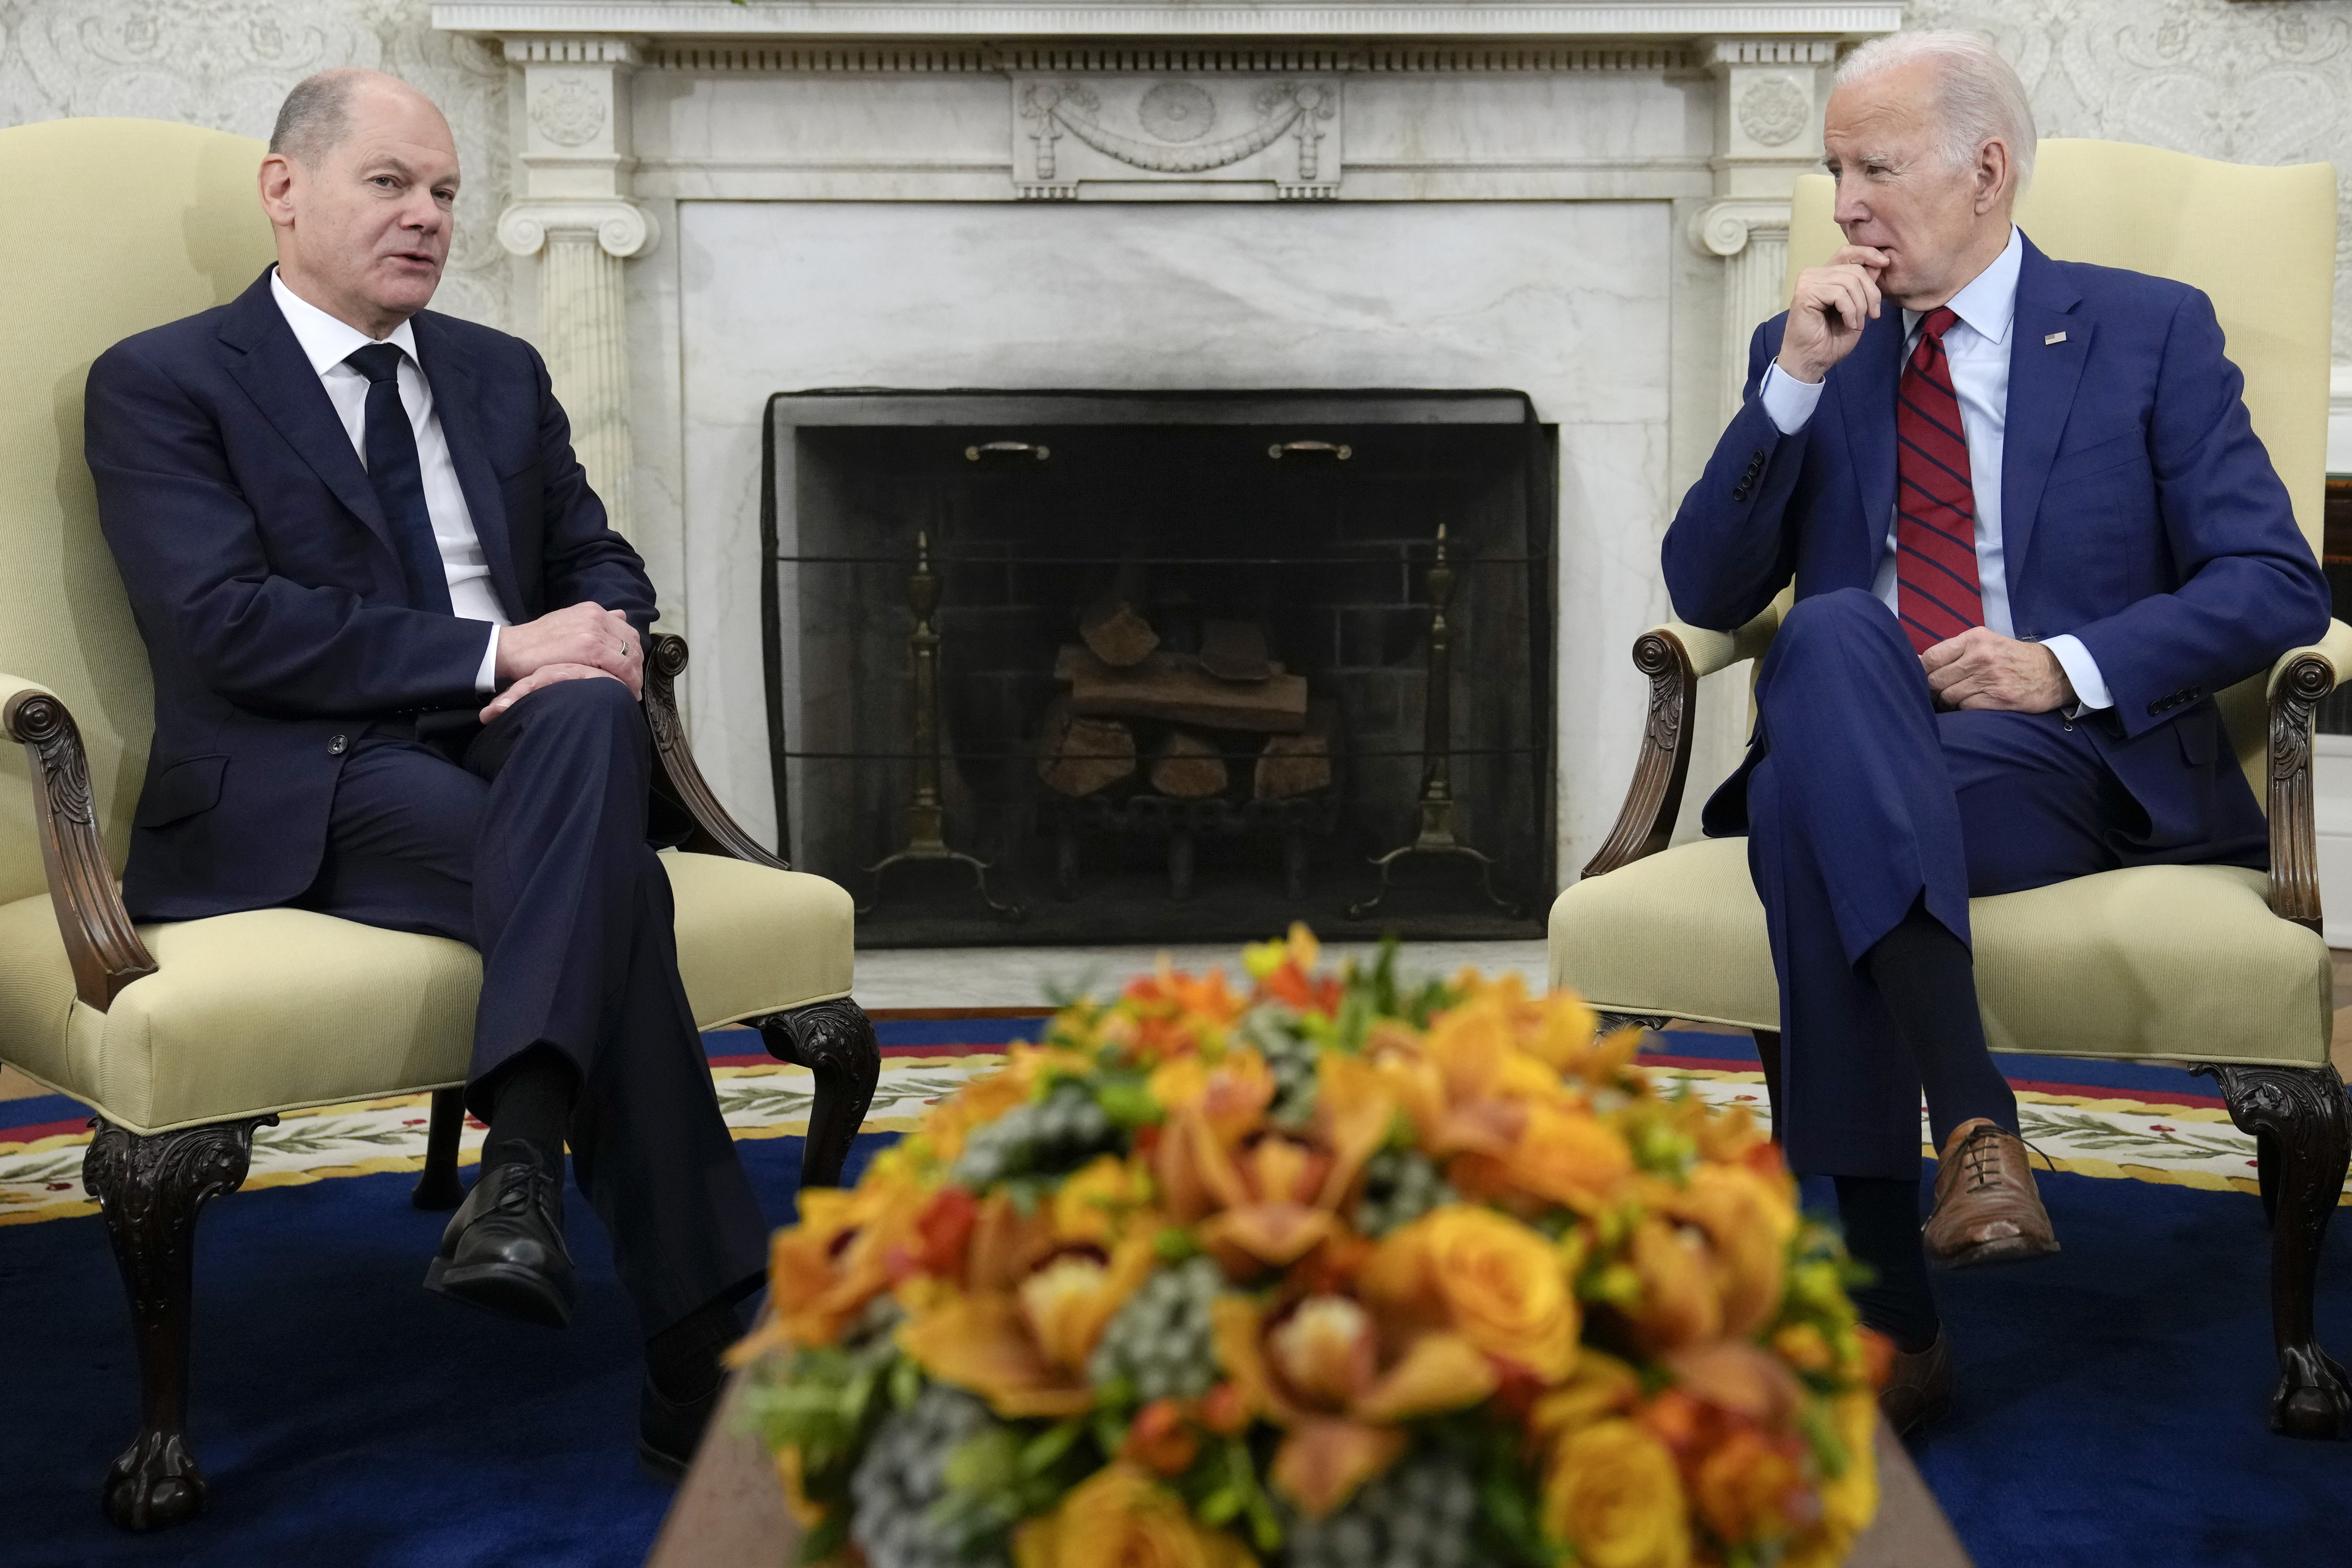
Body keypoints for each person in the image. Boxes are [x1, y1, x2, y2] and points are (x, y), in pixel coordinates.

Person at [83, 68, 767, 1479]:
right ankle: (704, 1356)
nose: (427, 217)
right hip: (305, 773)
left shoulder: (496, 371)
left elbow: (598, 558)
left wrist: (604, 632)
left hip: (524, 748)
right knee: (615, 890)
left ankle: (519, 1169)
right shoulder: (163, 383)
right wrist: (509, 644)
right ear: (286, 190)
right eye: (389, 183)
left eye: (446, 191)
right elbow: (225, 625)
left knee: (581, 722)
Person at [1663, 30, 2330, 1434]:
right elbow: (1705, 591)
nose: (1842, 201)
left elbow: (2274, 580)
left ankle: (1890, 1311)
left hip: (2071, 760)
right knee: (1839, 632)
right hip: (1877, 733)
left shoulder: (2149, 327)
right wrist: (1785, 382)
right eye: (1832, 167)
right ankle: (1978, 1127)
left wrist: (2061, 664)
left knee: (1799, 809)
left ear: (1985, 170)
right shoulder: (1816, 353)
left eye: (1873, 165)